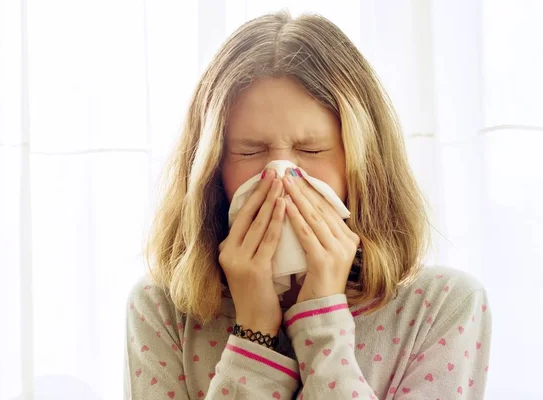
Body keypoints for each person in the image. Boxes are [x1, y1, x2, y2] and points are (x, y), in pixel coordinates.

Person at [124, 10, 491, 400]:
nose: (280, 176)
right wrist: (254, 332)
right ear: (212, 168)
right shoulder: (162, 309)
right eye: (250, 151)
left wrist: (323, 324)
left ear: (362, 162)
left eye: (311, 149)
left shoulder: (442, 307)